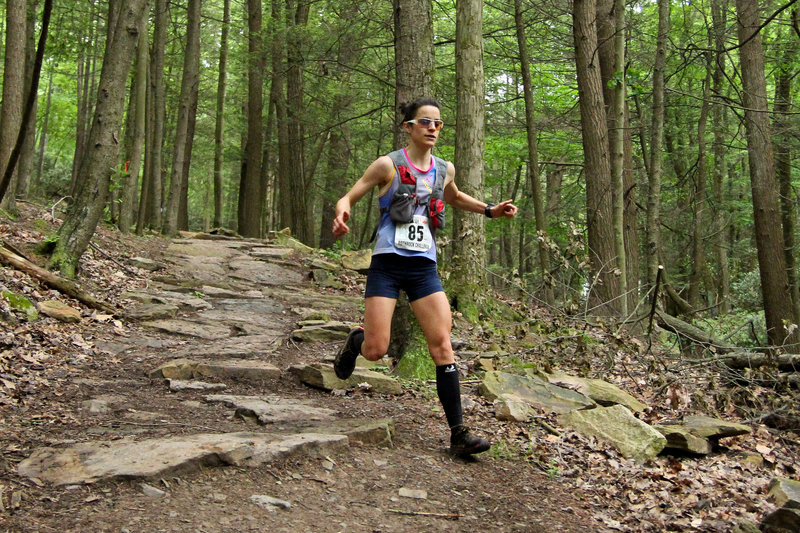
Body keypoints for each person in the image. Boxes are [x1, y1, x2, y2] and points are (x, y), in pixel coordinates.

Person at [331, 97, 518, 456]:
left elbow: (455, 196)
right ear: (408, 127)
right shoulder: (388, 165)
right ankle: (355, 341)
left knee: (442, 345)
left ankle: (459, 433)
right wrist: (342, 215)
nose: (433, 128)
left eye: (438, 123)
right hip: (387, 265)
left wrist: (491, 211)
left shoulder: (443, 168)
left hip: (423, 268)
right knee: (376, 350)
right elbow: (348, 197)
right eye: (425, 122)